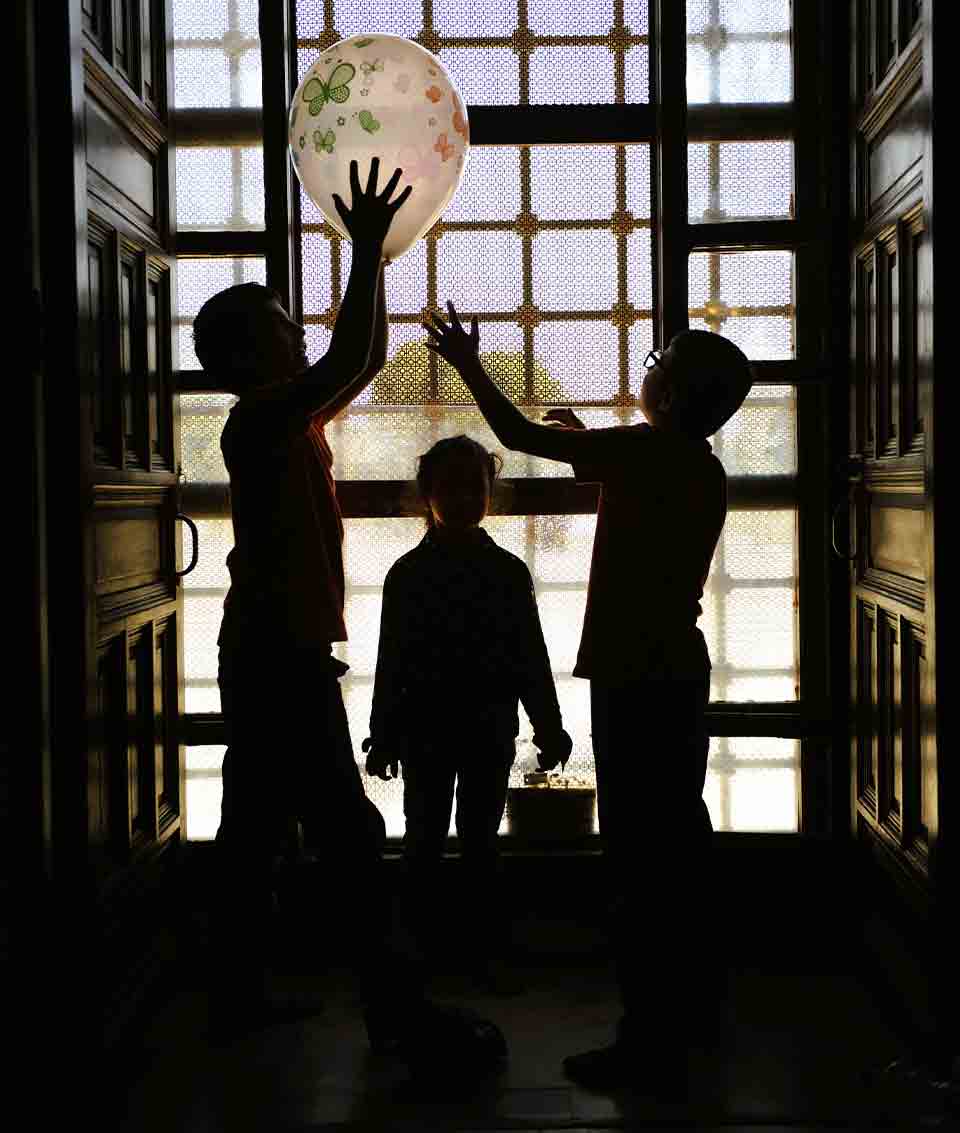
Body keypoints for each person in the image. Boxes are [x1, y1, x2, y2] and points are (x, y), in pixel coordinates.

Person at [422, 303, 752, 1092]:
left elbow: (522, 441)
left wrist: (468, 364)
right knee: (677, 838)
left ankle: (646, 1040)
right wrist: (585, 439)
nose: (647, 366)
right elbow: (611, 468)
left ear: (668, 397)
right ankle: (696, 1009)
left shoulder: (645, 451)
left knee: (636, 858)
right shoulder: (695, 463)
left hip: (633, 674)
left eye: (657, 360)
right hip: (675, 665)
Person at [191, 157, 413, 1040]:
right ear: (251, 355)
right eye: (286, 329)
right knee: (343, 834)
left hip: (274, 651)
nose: (299, 337)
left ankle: (239, 997)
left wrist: (377, 262)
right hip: (279, 656)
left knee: (255, 829)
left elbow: (364, 355)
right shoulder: (259, 419)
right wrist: (360, 251)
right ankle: (391, 1008)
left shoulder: (292, 418)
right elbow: (347, 354)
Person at [363, 434, 573, 993]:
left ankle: (427, 955)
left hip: (436, 727)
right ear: (428, 493)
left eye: (471, 486)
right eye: (452, 487)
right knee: (458, 838)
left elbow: (529, 654)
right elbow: (527, 656)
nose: (462, 497)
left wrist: (384, 734)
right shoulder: (500, 571)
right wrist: (547, 726)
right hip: (478, 724)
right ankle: (470, 952)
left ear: (487, 493)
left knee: (439, 837)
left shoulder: (411, 573)